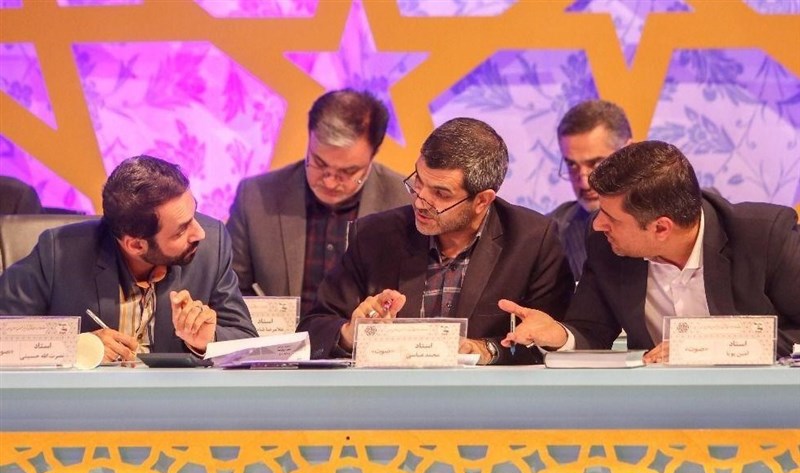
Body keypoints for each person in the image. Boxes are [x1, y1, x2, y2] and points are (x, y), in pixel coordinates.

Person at [297, 117, 574, 365]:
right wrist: (350, 334)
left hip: (487, 401)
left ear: (482, 200)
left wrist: (487, 349)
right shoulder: (375, 236)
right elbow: (313, 328)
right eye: (418, 182)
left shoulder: (532, 241)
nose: (420, 201)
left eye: (440, 193)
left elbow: (552, 338)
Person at [500, 140, 800, 360]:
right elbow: (591, 330)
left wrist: (706, 348)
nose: (598, 225)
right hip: (655, 410)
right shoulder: (606, 245)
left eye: (612, 218)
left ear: (661, 228)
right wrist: (557, 334)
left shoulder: (765, 237)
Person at [0, 155, 257, 362]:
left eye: (194, 214)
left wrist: (208, 339)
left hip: (178, 404)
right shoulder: (58, 253)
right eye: (180, 231)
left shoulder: (212, 246)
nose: (199, 233)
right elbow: (5, 334)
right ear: (135, 245)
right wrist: (79, 347)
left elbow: (247, 340)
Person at [227, 89, 408, 317]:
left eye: (348, 171)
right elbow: (229, 291)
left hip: (366, 338)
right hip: (278, 339)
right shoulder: (257, 197)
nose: (330, 182)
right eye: (320, 164)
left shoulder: (405, 202)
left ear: (374, 153)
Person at [549, 99, 632, 281]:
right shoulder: (551, 235)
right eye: (572, 165)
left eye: (596, 163)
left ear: (628, 153)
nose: (584, 183)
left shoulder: (675, 221)